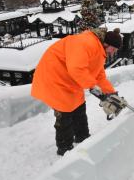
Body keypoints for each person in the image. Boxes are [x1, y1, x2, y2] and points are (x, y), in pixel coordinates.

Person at [31, 28, 124, 156]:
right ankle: (65, 148)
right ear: (106, 44)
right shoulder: (87, 43)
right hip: (54, 77)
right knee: (64, 112)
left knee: (79, 106)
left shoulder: (99, 50)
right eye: (113, 49)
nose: (113, 53)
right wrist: (93, 87)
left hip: (69, 80)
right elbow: (77, 69)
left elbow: (99, 76)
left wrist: (112, 94)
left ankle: (83, 137)